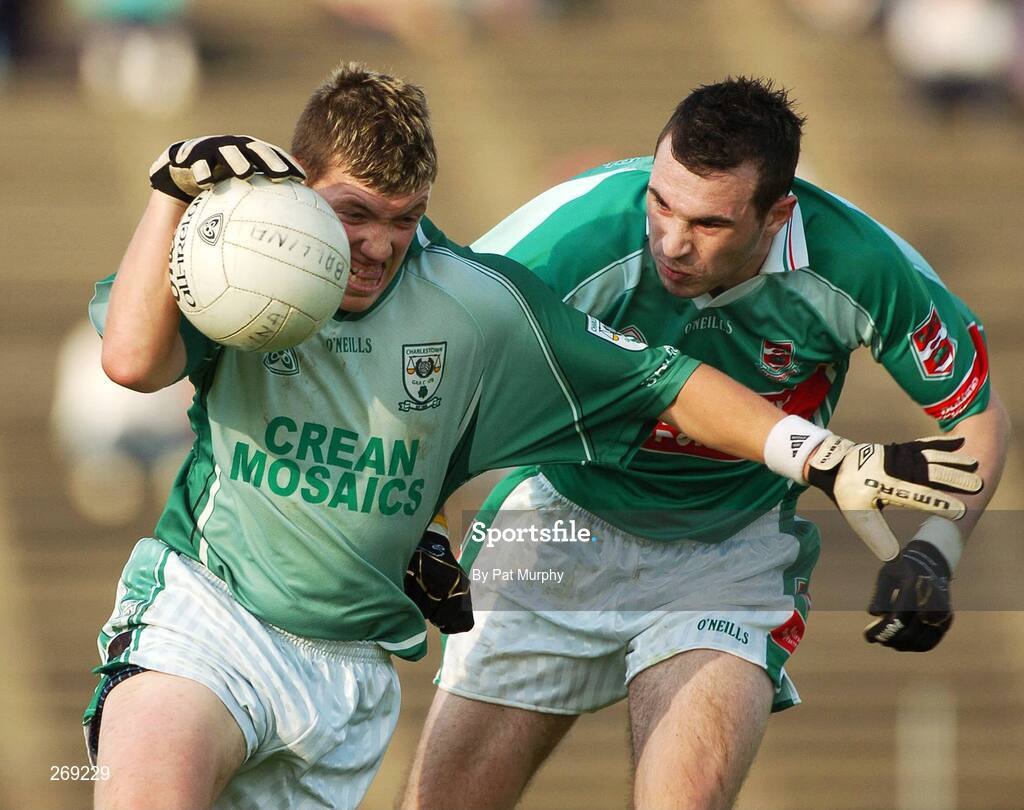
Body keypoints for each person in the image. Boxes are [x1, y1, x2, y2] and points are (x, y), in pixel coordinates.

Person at [83, 65, 981, 810]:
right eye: (353, 213)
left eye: (404, 219)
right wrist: (169, 197)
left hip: (711, 554)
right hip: (296, 596)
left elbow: (665, 382)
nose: (671, 240)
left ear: (775, 215)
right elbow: (135, 362)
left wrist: (871, 493)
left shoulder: (476, 299)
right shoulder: (272, 253)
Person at [402, 77, 1010, 810]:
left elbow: (977, 417)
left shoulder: (861, 263)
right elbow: (427, 358)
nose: (671, 241)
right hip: (563, 518)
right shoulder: (578, 231)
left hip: (730, 551)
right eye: (661, 203)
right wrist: (422, 515)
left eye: (709, 223)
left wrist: (937, 550)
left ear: (777, 214)